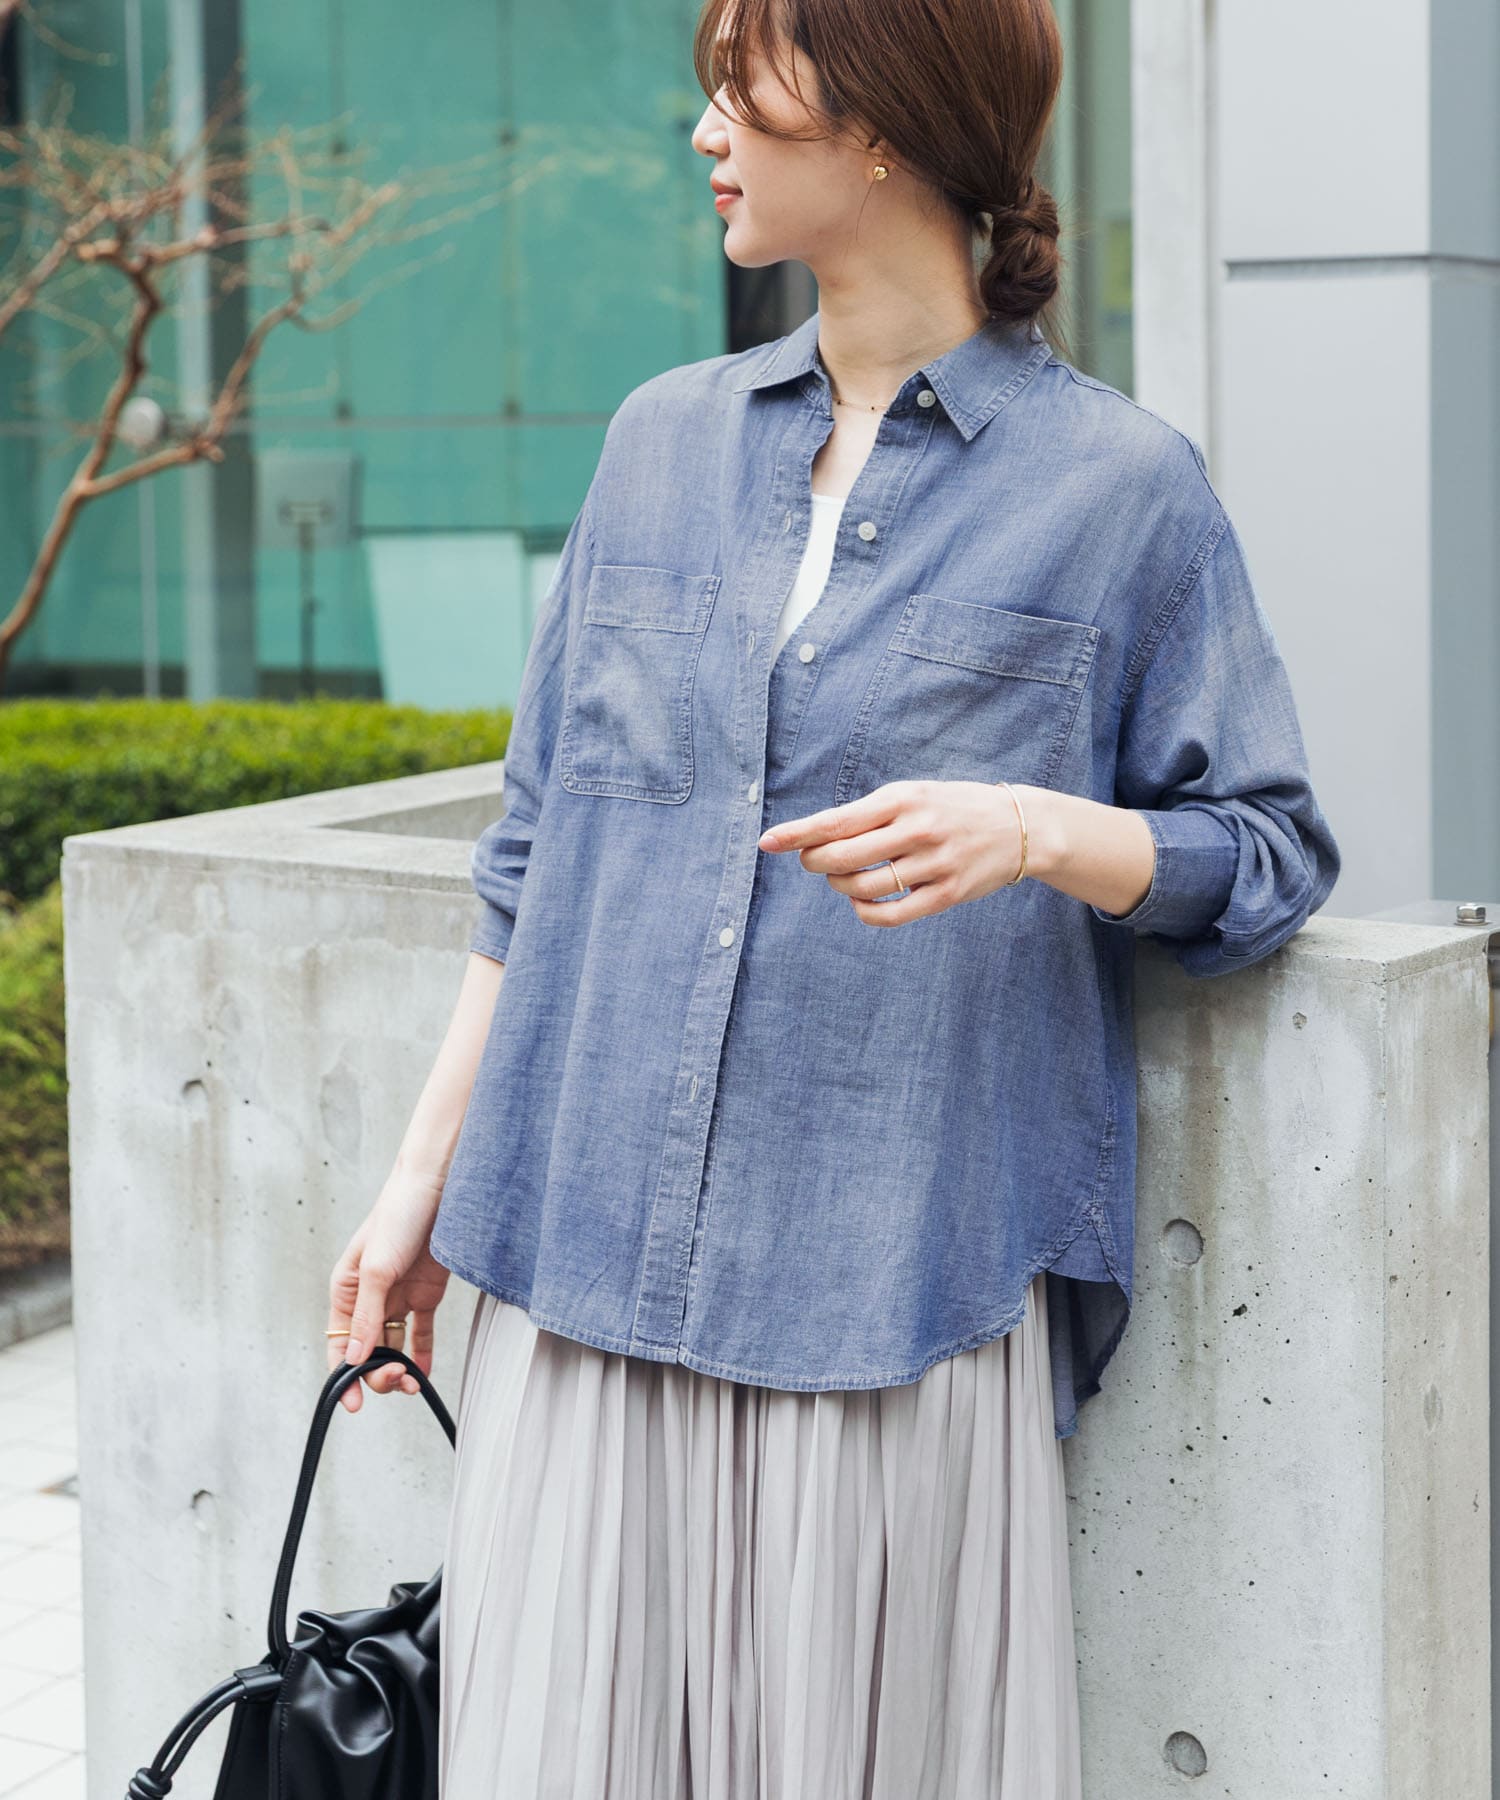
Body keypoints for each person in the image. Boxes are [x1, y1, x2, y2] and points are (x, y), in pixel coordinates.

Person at [326, 0, 1341, 1794]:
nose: (705, 127)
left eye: (746, 84)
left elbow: (1266, 851)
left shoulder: (1119, 491)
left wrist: (1040, 830)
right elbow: (538, 852)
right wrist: (420, 1191)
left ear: (882, 120)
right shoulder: (658, 442)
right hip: (582, 1274)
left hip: (885, 1294)